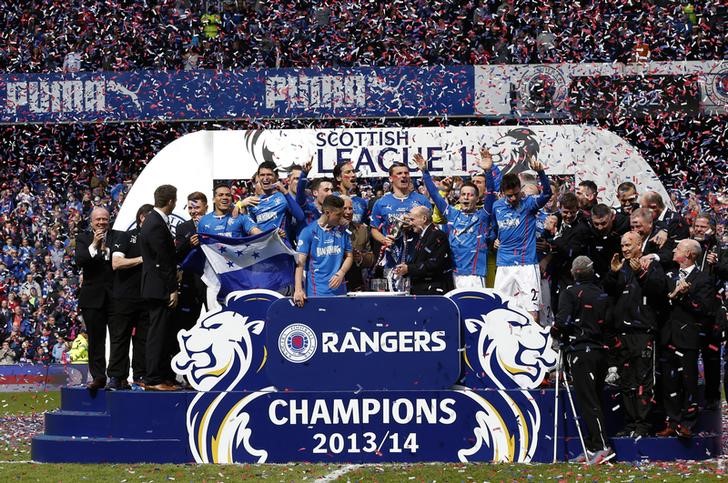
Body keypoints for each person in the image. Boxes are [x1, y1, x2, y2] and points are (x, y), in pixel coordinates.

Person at [552, 256, 614, 464]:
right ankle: (592, 446)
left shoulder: (569, 293)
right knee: (594, 399)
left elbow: (562, 321)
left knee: (588, 401)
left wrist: (555, 332)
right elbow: (608, 323)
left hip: (581, 351)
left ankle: (603, 447)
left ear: (573, 272)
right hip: (600, 352)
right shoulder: (601, 293)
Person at [604, 231, 667, 437]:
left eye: (628, 245)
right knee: (626, 380)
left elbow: (659, 291)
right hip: (622, 332)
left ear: (639, 245)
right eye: (622, 246)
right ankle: (630, 423)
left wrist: (641, 273)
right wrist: (613, 273)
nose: (624, 249)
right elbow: (609, 292)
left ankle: (643, 424)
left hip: (643, 331)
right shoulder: (620, 268)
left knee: (644, 380)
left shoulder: (651, 265)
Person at [414, 149, 496, 289]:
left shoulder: (483, 216)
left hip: (475, 275)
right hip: (453, 274)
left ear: (477, 198)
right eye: (463, 194)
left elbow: (491, 194)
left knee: (474, 311)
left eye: (470, 195)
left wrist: (488, 172)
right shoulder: (452, 214)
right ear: (459, 197)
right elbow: (435, 195)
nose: (466, 197)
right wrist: (425, 172)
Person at [657, 239, 714, 438]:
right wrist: (673, 294)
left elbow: (705, 309)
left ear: (689, 254)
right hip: (668, 336)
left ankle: (688, 423)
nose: (674, 250)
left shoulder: (703, 279)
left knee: (688, 381)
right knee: (669, 382)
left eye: (678, 248)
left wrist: (685, 296)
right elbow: (661, 301)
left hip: (688, 338)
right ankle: (672, 421)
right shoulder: (668, 276)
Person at [491, 155, 552, 322]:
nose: (513, 198)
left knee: (531, 310)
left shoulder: (528, 204)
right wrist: (494, 239)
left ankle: (532, 344)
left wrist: (541, 173)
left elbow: (547, 193)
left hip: (527, 264)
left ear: (521, 189)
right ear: (503, 193)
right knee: (500, 308)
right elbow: (494, 230)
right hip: (504, 264)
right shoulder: (497, 206)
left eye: (516, 194)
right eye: (509, 195)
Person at [106, 204, 154, 390]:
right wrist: (143, 259)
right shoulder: (126, 236)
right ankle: (117, 377)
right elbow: (116, 262)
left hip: (147, 296)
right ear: (142, 217)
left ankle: (141, 374)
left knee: (144, 338)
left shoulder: (156, 238)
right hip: (124, 296)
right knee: (120, 337)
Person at [139, 185, 179, 391]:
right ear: (171, 201)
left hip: (155, 286)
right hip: (158, 287)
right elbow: (163, 260)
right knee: (157, 334)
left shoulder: (152, 221)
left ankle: (159, 375)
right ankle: (154, 378)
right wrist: (173, 288)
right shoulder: (155, 223)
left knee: (161, 332)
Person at [370, 162, 430, 292]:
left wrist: (414, 225)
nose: (404, 176)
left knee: (414, 299)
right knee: (392, 300)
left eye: (406, 173)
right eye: (399, 173)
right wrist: (384, 240)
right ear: (391, 178)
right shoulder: (381, 203)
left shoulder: (421, 200)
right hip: (391, 260)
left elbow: (430, 227)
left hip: (415, 260)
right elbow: (374, 229)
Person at [74, 207, 113, 390]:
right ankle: (98, 376)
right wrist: (95, 245)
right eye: (98, 219)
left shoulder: (116, 237)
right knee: (96, 340)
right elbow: (81, 260)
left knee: (118, 338)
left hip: (115, 297)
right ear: (92, 221)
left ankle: (117, 376)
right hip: (92, 298)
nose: (101, 223)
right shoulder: (83, 238)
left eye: (104, 219)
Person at [293, 195, 353, 307]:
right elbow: (299, 264)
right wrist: (298, 289)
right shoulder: (308, 232)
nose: (342, 217)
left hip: (340, 292)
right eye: (338, 215)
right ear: (327, 212)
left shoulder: (343, 230)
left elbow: (349, 256)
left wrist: (341, 272)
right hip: (317, 293)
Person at [393, 205, 453, 295]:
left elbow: (434, 263)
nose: (410, 223)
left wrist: (409, 269)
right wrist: (404, 268)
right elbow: (421, 260)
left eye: (412, 220)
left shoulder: (437, 235)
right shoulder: (422, 235)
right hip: (421, 288)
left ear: (424, 219)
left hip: (432, 289)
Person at [243, 161, 305, 237]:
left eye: (269, 175)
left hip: (281, 245)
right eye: (262, 175)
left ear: (276, 177)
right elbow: (250, 228)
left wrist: (285, 192)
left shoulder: (283, 197)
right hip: (262, 246)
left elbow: (300, 217)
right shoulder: (252, 202)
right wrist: (240, 205)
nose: (265, 178)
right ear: (258, 177)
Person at [176, 192, 208, 334]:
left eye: (197, 207)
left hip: (211, 279)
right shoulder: (182, 228)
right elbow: (177, 253)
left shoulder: (214, 222)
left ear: (206, 207)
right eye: (190, 208)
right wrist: (189, 243)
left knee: (215, 317)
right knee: (187, 321)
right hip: (191, 280)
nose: (193, 211)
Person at [340, 195, 374, 292]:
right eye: (344, 208)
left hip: (356, 283)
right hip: (334, 282)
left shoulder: (362, 230)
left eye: (350, 208)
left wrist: (360, 257)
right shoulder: (328, 230)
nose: (348, 212)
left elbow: (371, 258)